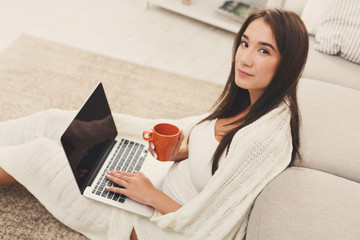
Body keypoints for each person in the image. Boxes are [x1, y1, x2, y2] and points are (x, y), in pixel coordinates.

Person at [0, 8, 309, 240]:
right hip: (154, 180)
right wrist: (180, 153)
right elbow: (218, 156)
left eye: (263, 50)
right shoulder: (254, 102)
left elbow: (210, 228)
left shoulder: (263, 139)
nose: (244, 59)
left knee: (39, 154)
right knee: (55, 121)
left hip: (153, 224)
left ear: (288, 63)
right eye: (244, 43)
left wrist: (148, 194)